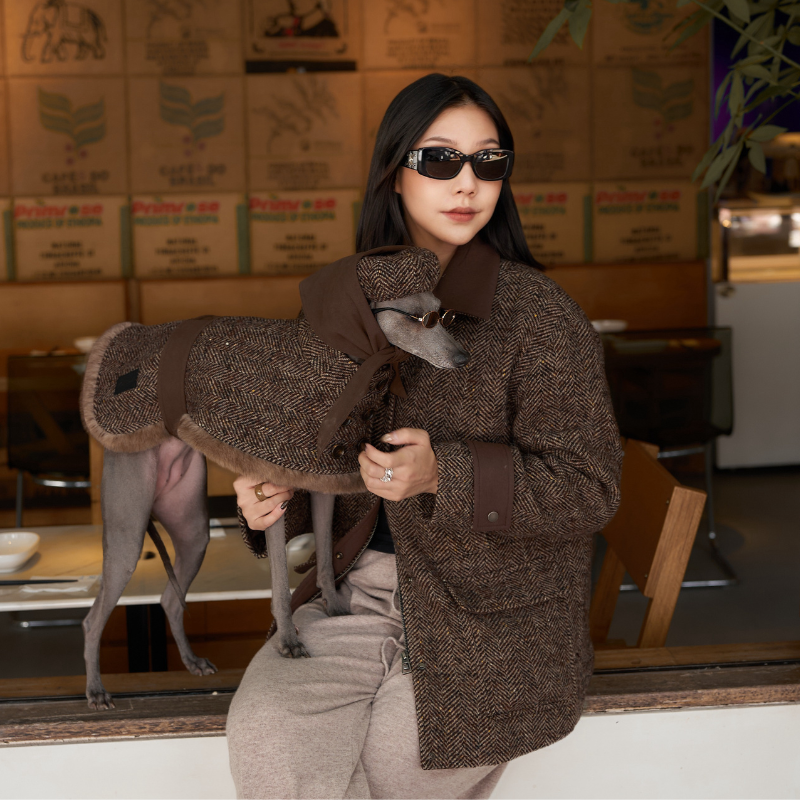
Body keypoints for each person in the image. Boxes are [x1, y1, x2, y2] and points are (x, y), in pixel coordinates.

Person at [226, 73, 623, 799]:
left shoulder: (540, 317)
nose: (467, 182)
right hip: (352, 604)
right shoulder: (341, 305)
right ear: (394, 173)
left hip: (495, 618)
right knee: (267, 743)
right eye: (440, 159)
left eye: (488, 161)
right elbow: (311, 462)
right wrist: (270, 502)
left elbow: (589, 488)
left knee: (393, 769)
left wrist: (445, 473)